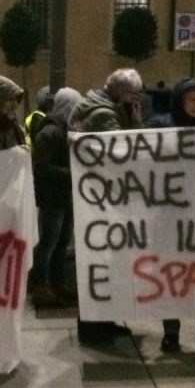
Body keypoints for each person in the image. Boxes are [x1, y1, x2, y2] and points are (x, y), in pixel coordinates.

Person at [71, 68, 145, 344]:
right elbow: (125, 152)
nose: (136, 99)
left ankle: (102, 320)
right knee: (103, 263)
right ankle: (93, 326)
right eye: (133, 94)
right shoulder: (105, 115)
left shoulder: (97, 105)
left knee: (103, 263)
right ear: (122, 93)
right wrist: (136, 122)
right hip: (103, 198)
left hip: (97, 196)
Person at [147, 77, 195, 352]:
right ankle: (171, 333)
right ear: (179, 100)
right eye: (192, 100)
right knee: (170, 274)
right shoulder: (158, 126)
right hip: (167, 216)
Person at [29, 88, 82, 309]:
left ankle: (57, 283)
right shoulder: (50, 133)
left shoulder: (62, 131)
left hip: (63, 195)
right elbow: (41, 167)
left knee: (61, 242)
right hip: (52, 198)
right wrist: (72, 174)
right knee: (49, 242)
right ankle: (40, 285)